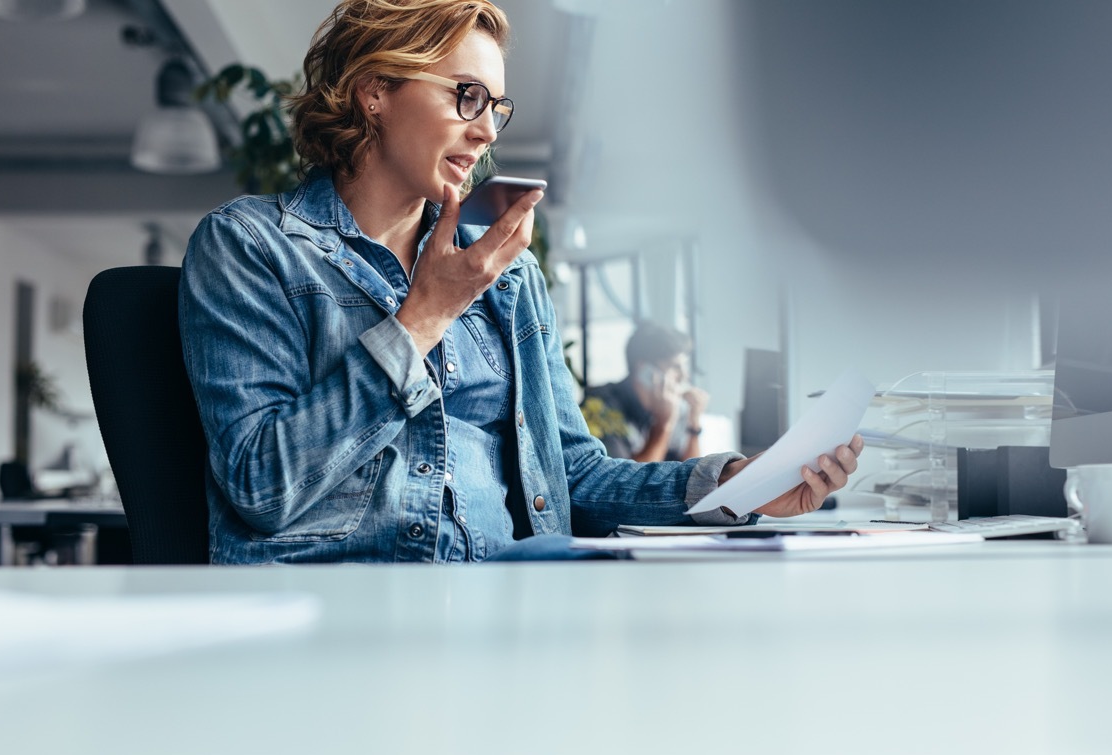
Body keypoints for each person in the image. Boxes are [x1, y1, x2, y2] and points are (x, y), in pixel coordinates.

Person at [179, 0, 863, 564]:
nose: (484, 133)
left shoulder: (506, 274)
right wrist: (422, 319)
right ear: (375, 91)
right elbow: (261, 484)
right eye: (465, 96)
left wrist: (738, 488)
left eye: (495, 109)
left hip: (508, 603)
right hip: (336, 612)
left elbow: (577, 477)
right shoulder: (251, 246)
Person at [581, 321, 708, 462]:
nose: (684, 377)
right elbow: (625, 481)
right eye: (674, 367)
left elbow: (694, 475)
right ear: (644, 371)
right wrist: (663, 425)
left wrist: (694, 423)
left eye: (684, 367)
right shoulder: (600, 405)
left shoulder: (675, 406)